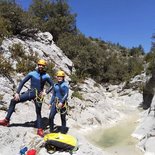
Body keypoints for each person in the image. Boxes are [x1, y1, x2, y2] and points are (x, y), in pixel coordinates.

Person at [0, 59, 54, 137]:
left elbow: (53, 85)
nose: (41, 66)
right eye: (40, 65)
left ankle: (40, 129)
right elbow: (22, 82)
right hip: (31, 93)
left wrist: (46, 92)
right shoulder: (32, 73)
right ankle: (6, 120)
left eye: (42, 65)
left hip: (39, 96)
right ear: (38, 65)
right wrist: (17, 93)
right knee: (13, 100)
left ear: (44, 66)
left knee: (38, 112)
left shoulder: (46, 76)